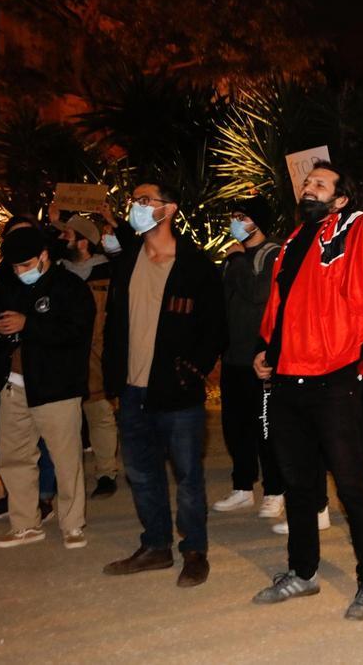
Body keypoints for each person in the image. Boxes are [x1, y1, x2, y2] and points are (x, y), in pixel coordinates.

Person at [250, 112, 363, 620]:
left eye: (321, 183)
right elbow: (282, 307)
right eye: (308, 181)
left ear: (340, 199)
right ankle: (303, 572)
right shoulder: (292, 244)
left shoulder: (358, 231)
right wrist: (266, 351)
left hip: (335, 380)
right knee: (299, 486)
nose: (310, 187)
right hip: (288, 383)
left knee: (353, 486)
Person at [101, 181, 225, 588]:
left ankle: (194, 551)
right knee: (141, 473)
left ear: (168, 209)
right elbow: (114, 324)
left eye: (144, 200)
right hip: (132, 389)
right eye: (133, 200)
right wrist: (113, 379)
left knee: (188, 476)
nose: (135, 206)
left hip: (176, 391)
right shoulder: (127, 259)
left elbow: (214, 328)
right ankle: (155, 546)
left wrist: (191, 371)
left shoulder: (195, 265)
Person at [0, 227, 95, 550]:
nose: (20, 272)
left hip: (57, 386)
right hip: (14, 385)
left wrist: (28, 325)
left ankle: (72, 524)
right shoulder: (8, 287)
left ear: (44, 256)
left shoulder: (70, 287)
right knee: (14, 457)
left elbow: (77, 333)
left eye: (26, 265)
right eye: (15, 267)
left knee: (66, 459)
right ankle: (24, 524)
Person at [212, 196, 286, 520]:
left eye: (241, 216)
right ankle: (242, 487)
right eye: (234, 216)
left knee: (265, 428)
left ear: (257, 221)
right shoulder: (233, 258)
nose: (235, 222)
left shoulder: (272, 254)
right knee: (234, 426)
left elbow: (260, 294)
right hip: (233, 357)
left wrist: (240, 261)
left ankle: (274, 491)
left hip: (261, 358)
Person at [53, 213, 120, 499]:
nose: (60, 239)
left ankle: (106, 472)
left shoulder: (108, 272)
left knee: (100, 414)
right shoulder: (57, 272)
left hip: (96, 355)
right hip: (62, 355)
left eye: (66, 234)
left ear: (83, 243)